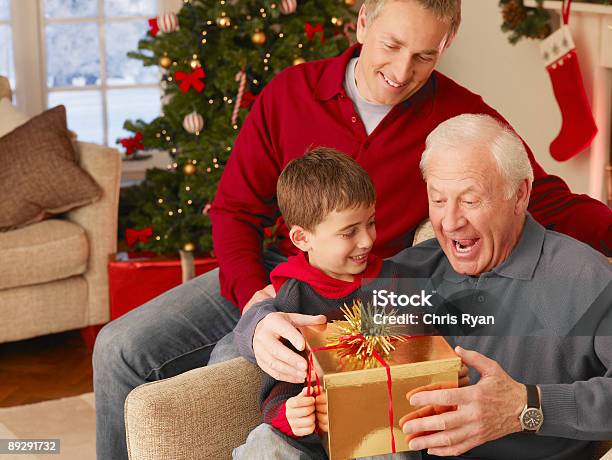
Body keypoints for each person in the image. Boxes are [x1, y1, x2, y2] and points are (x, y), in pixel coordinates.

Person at [92, 1, 612, 458]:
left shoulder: (457, 113)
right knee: (119, 349)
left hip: (362, 287)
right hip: (273, 270)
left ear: (445, 47)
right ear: (363, 23)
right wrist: (256, 303)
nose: (403, 69)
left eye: (426, 56)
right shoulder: (290, 92)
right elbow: (233, 211)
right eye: (392, 45)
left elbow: (543, 197)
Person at [237, 114, 612, 459]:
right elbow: (299, 297)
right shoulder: (412, 271)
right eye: (437, 200)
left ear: (520, 194)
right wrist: (256, 327)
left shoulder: (582, 277)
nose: (449, 222)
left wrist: (527, 406)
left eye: (469, 200)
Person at [234, 147, 421, 459]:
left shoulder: (396, 284)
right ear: (302, 239)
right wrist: (289, 414)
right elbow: (278, 388)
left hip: (377, 431)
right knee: (263, 442)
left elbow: (423, 354)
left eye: (370, 223)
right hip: (311, 440)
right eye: (349, 232)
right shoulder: (291, 299)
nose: (367, 240)